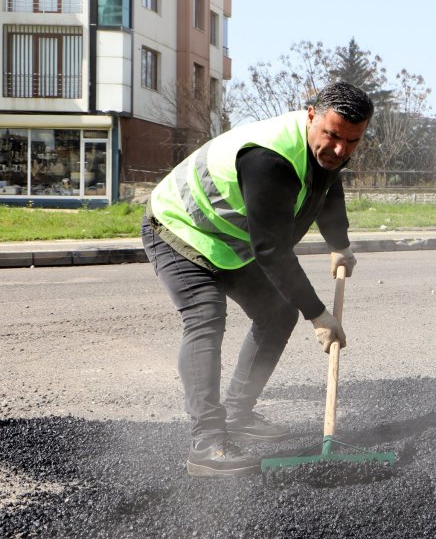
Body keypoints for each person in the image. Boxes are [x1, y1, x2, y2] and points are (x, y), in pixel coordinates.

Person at [141, 82, 372, 477]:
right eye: (333, 136)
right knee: (205, 318)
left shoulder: (330, 149)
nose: (340, 150)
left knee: (277, 313)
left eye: (353, 141)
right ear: (312, 114)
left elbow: (327, 190)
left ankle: (238, 413)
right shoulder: (270, 160)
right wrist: (318, 315)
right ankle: (208, 442)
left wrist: (339, 244)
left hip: (231, 241)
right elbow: (271, 252)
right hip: (180, 228)